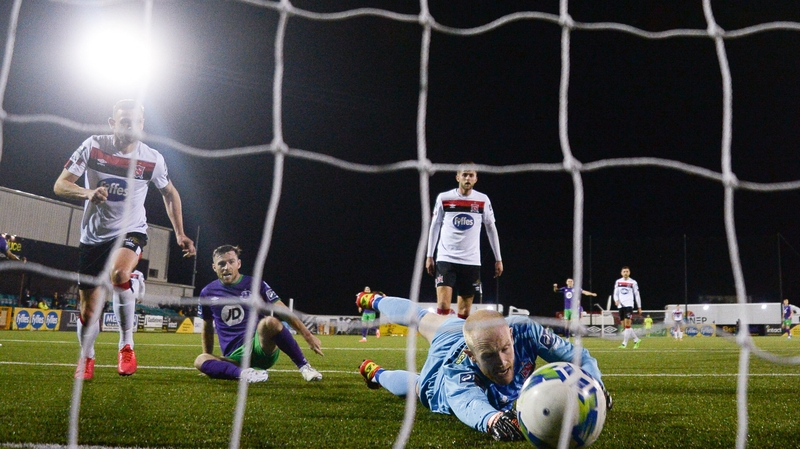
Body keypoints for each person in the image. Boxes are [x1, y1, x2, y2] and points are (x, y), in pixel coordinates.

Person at [54, 99, 196, 380]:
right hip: (94, 238)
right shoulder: (93, 146)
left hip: (131, 230)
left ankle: (126, 345)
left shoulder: (152, 158)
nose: (132, 127)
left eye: (138, 123)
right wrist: (87, 193)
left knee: (119, 273)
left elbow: (169, 193)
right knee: (89, 311)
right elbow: (60, 184)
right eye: (125, 122)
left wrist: (180, 233)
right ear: (112, 123)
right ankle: (87, 357)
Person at [355, 291, 611, 441]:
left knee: (422, 317)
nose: (502, 362)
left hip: (462, 331)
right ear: (473, 356)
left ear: (510, 335)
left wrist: (594, 384)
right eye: (490, 356)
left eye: (505, 349)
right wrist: (493, 419)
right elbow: (468, 403)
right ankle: (376, 373)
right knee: (418, 386)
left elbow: (579, 356)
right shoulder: (459, 369)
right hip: (443, 364)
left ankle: (374, 299)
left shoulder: (524, 329)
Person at [194, 245, 324, 383]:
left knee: (270, 322)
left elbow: (281, 308)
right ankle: (247, 374)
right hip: (234, 358)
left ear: (238, 264)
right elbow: (207, 327)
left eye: (231, 262)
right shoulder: (207, 293)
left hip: (260, 348)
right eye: (221, 264)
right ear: (214, 267)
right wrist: (210, 363)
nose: (226, 267)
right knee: (200, 359)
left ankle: (305, 367)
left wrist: (307, 335)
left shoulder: (254, 284)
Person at [425, 163, 503, 319]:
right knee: (442, 306)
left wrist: (498, 259)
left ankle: (459, 343)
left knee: (465, 312)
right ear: (457, 177)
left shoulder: (482, 200)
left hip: (471, 260)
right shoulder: (444, 198)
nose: (467, 178)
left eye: (471, 175)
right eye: (464, 175)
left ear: (476, 179)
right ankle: (442, 341)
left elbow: (491, 229)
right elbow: (435, 226)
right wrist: (429, 255)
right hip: (446, 258)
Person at [613, 266, 642, 349]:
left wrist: (639, 307)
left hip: (629, 305)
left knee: (628, 325)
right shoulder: (618, 281)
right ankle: (636, 339)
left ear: (629, 272)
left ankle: (624, 343)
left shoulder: (633, 282)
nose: (625, 273)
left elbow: (637, 295)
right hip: (620, 306)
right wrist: (616, 300)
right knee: (624, 327)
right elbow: (615, 293)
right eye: (624, 271)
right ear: (621, 273)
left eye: (627, 271)